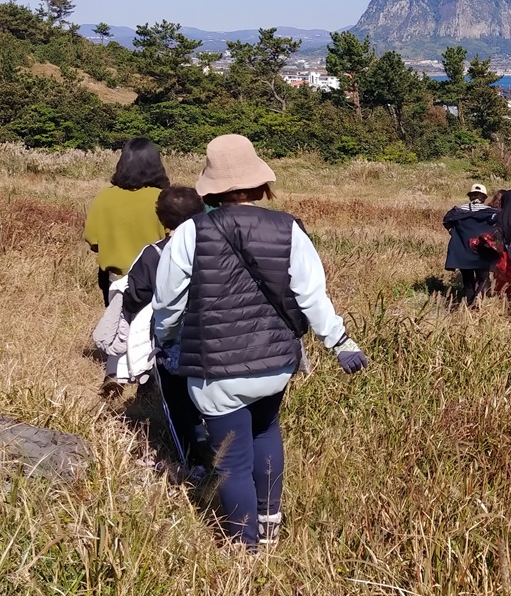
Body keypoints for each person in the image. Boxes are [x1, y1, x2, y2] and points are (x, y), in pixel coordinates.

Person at [152, 134, 367, 550]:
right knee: (267, 431)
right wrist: (341, 343)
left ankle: (244, 547)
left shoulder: (189, 233)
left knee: (231, 460)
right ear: (258, 182)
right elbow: (312, 297)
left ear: (211, 185)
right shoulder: (288, 229)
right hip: (275, 362)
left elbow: (168, 304)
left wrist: (167, 340)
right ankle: (269, 525)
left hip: (215, 367)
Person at [118, 185, 211, 470]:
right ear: (201, 211)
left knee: (179, 405)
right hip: (218, 334)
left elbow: (135, 296)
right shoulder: (219, 245)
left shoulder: (154, 253)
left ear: (161, 219)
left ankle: (194, 463)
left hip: (173, 339)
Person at [85, 138, 170, 302]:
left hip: (115, 282)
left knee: (117, 325)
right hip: (155, 281)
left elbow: (93, 241)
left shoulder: (104, 197)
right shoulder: (162, 199)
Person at [442, 183, 499, 305]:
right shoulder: (491, 213)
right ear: (484, 198)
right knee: (482, 279)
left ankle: (468, 305)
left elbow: (446, 221)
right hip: (482, 252)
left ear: (470, 197)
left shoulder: (457, 211)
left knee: (468, 281)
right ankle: (477, 305)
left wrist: (455, 233)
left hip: (462, 250)